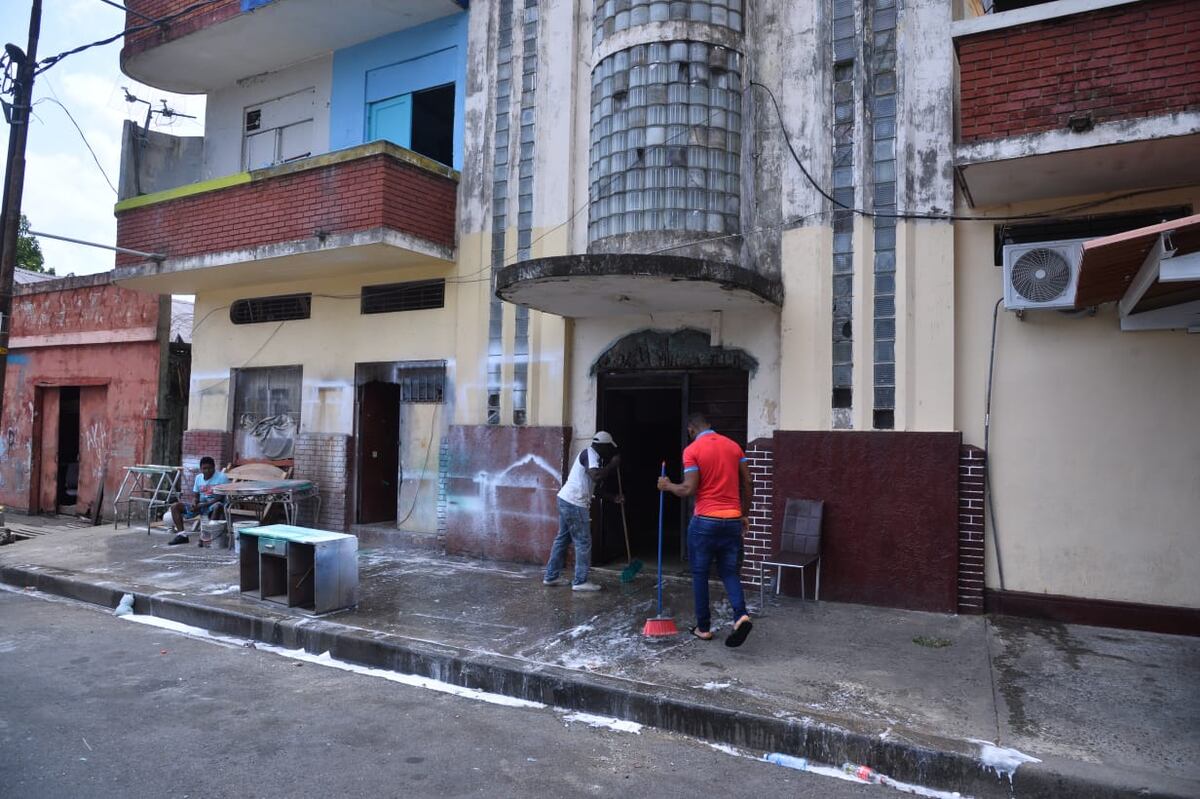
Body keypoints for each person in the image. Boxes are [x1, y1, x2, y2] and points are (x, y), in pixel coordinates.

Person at [657, 412, 754, 647]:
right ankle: (740, 616)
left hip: (705, 522)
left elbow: (688, 489)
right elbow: (748, 482)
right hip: (732, 520)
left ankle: (703, 628)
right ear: (710, 425)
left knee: (700, 574)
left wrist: (667, 485)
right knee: (730, 572)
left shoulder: (692, 450)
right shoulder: (733, 447)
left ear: (691, 430)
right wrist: (744, 514)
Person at [543, 431, 624, 592]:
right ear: (603, 446)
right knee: (583, 542)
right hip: (575, 503)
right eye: (609, 448)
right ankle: (580, 581)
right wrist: (613, 465)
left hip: (566, 499)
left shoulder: (594, 458)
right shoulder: (590, 454)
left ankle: (551, 576)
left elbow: (594, 487)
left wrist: (612, 497)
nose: (610, 452)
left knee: (562, 539)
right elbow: (595, 476)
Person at [168, 456, 230, 546]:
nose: (207, 471)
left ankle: (207, 536)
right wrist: (194, 503)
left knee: (217, 506)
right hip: (201, 505)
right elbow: (196, 496)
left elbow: (219, 498)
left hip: (214, 505)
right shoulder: (198, 478)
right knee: (175, 506)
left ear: (214, 468)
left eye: (210, 468)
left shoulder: (222, 477)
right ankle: (182, 536)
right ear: (201, 469)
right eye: (204, 468)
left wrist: (202, 505)